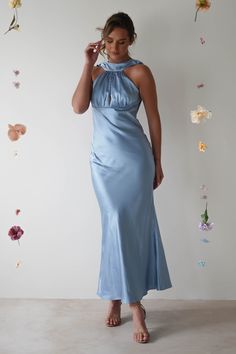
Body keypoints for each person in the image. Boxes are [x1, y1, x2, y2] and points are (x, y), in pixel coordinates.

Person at [72, 12, 172, 344]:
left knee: (129, 227)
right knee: (112, 224)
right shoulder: (96, 71)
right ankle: (119, 296)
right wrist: (87, 64)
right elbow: (78, 107)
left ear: (132, 41)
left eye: (122, 42)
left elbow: (155, 119)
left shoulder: (140, 71)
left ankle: (131, 304)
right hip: (102, 163)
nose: (115, 48)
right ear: (103, 40)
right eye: (110, 42)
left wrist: (158, 161)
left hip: (135, 160)